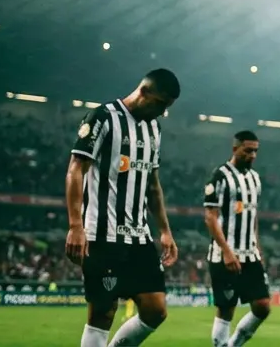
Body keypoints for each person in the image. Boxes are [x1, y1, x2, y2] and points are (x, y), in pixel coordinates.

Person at [66, 68, 181, 347]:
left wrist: (165, 231)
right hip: (101, 234)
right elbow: (75, 169)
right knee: (103, 313)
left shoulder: (154, 128)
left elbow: (153, 184)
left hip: (138, 236)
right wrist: (75, 226)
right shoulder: (103, 117)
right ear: (144, 92)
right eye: (160, 104)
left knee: (156, 310)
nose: (162, 112)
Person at [203, 130, 269, 346]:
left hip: (249, 254)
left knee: (262, 306)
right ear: (235, 149)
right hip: (224, 255)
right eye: (248, 150)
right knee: (226, 309)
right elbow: (210, 218)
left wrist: (258, 250)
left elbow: (253, 218)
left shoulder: (255, 179)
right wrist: (227, 251)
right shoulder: (219, 176)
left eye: (256, 151)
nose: (253, 155)